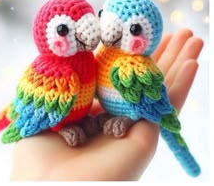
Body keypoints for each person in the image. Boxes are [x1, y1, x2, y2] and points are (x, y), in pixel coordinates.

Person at [10, 28, 203, 180]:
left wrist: (133, 117)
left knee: (172, 138)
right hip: (76, 121)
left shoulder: (129, 66)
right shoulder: (88, 61)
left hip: (123, 115)